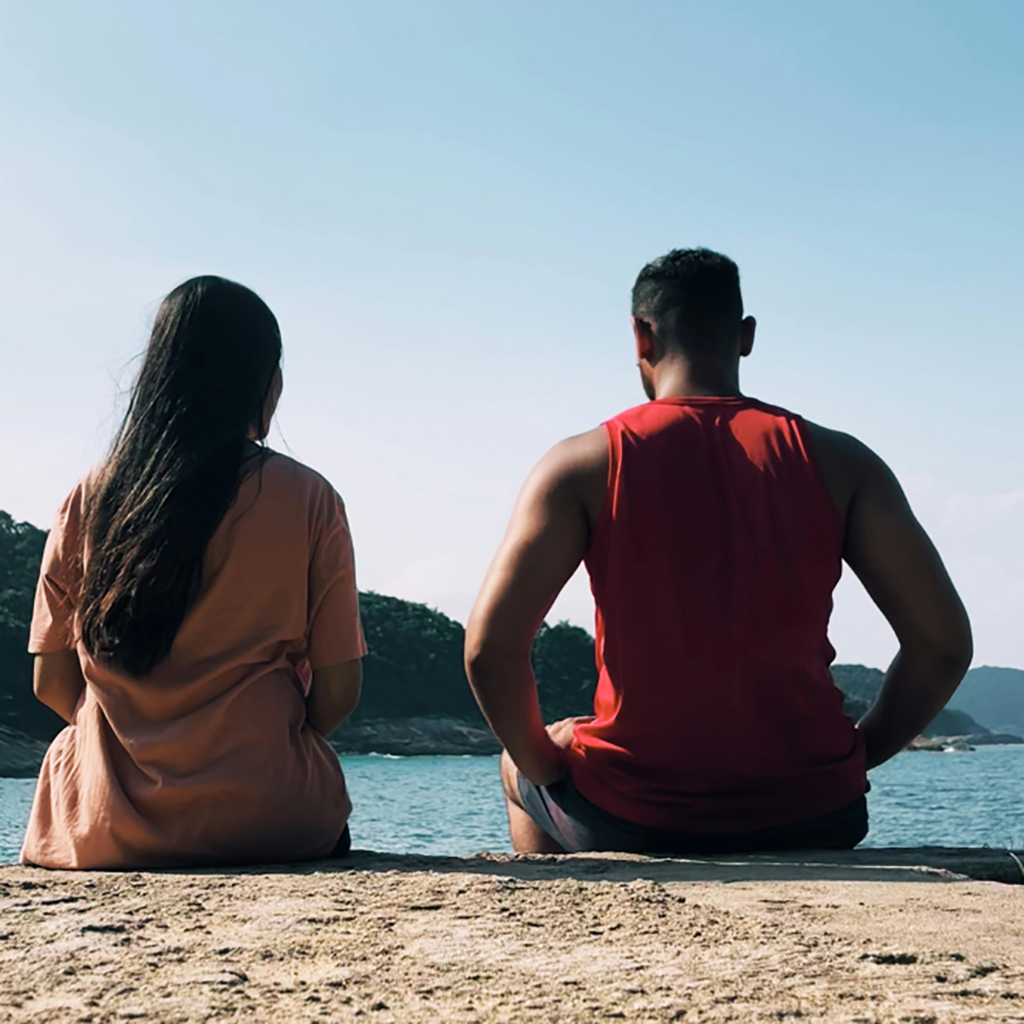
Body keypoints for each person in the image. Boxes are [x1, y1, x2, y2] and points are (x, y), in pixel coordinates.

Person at [465, 248, 972, 855]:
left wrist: (546, 765)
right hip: (816, 813)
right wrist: (858, 755)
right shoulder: (844, 463)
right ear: (746, 336)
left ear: (640, 335)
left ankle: (567, 925)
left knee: (515, 767)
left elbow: (490, 651)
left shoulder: (582, 464)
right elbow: (942, 646)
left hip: (637, 817)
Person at [23, 276, 365, 869]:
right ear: (267, 384)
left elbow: (51, 683)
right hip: (275, 815)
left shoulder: (89, 501)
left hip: (101, 828)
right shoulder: (311, 500)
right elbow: (339, 690)